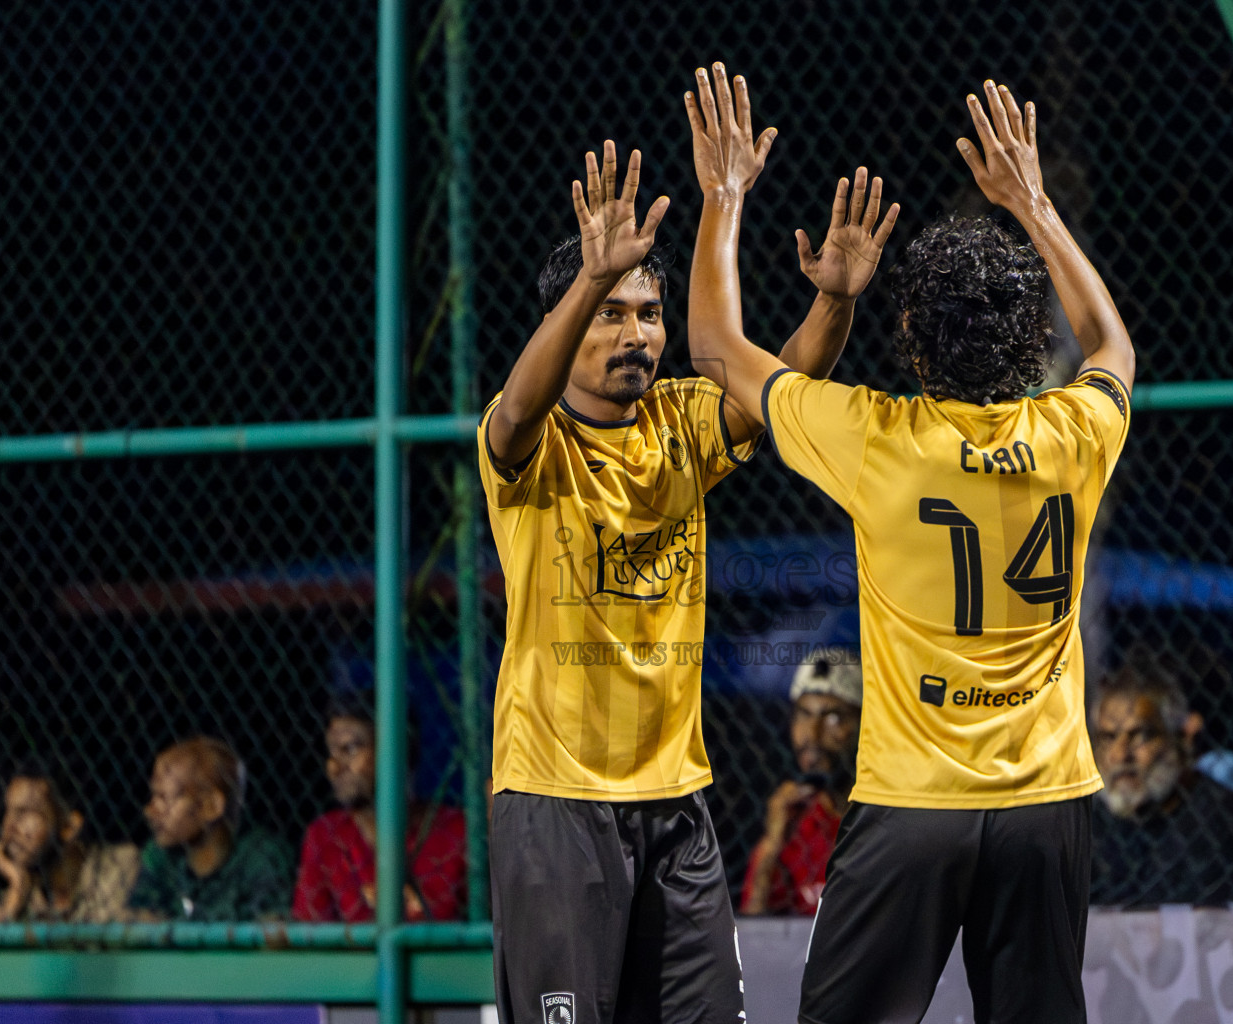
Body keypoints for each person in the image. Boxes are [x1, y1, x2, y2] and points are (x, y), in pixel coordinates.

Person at [687, 65, 1133, 1024]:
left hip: (913, 807)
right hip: (1045, 803)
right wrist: (1034, 204)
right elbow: (1110, 343)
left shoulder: (877, 438)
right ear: (1031, 341)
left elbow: (715, 344)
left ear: (915, 344)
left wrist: (727, 196)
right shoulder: (1076, 432)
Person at [478, 109, 880, 1023]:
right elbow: (517, 409)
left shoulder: (682, 421)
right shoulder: (530, 445)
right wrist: (593, 273)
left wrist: (834, 301)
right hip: (555, 800)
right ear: (564, 325)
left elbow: (782, 387)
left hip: (676, 800)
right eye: (611, 315)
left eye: (650, 315)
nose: (639, 336)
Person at [1089, 664, 1233, 905]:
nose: (1120, 755)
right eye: (1109, 738)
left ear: (1180, 738)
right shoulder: (1094, 821)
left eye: (1141, 736)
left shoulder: (1221, 819)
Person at [293, 691, 467, 921]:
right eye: (331, 752)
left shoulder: (456, 832)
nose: (334, 767)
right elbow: (310, 930)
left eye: (350, 749)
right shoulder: (325, 835)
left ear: (396, 749)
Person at [741, 648, 861, 915]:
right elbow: (753, 926)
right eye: (804, 715)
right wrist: (772, 844)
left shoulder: (879, 819)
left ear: (864, 726)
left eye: (834, 717)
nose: (812, 734)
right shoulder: (791, 819)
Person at [128, 736, 291, 921]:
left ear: (210, 806)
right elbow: (141, 921)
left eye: (163, 798)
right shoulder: (160, 855)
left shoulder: (259, 855)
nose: (149, 811)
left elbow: (272, 927)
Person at [0, 759, 139, 923]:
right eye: (7, 812)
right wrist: (16, 893)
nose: (9, 826)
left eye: (25, 812)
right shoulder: (21, 889)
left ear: (69, 827)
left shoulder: (117, 865)